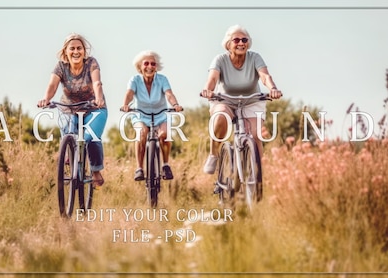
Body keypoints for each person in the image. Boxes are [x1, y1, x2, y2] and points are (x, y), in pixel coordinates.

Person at [199, 25, 283, 179]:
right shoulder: (220, 59)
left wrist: (273, 88)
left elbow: (265, 76)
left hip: (251, 101)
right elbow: (212, 78)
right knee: (220, 118)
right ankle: (214, 154)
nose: (241, 43)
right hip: (225, 100)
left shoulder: (255, 57)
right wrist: (208, 90)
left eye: (244, 40)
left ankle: (257, 173)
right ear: (228, 44)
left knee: (256, 135)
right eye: (236, 40)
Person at [37, 33, 108, 186]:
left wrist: (99, 98)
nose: (76, 51)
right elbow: (52, 85)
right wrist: (46, 99)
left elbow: (97, 83)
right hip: (69, 108)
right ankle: (70, 152)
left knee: (91, 138)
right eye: (72, 48)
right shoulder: (61, 66)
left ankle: (95, 169)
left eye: (79, 48)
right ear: (66, 51)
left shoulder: (91, 63)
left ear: (84, 51)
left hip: (94, 108)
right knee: (67, 130)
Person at [120, 50, 183, 181]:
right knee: (142, 133)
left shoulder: (162, 79)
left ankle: (165, 165)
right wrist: (126, 104)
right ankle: (139, 168)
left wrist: (175, 104)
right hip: (141, 115)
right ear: (140, 67)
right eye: (146, 63)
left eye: (153, 64)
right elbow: (129, 94)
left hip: (160, 115)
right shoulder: (135, 80)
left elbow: (169, 94)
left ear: (156, 67)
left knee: (165, 135)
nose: (150, 66)